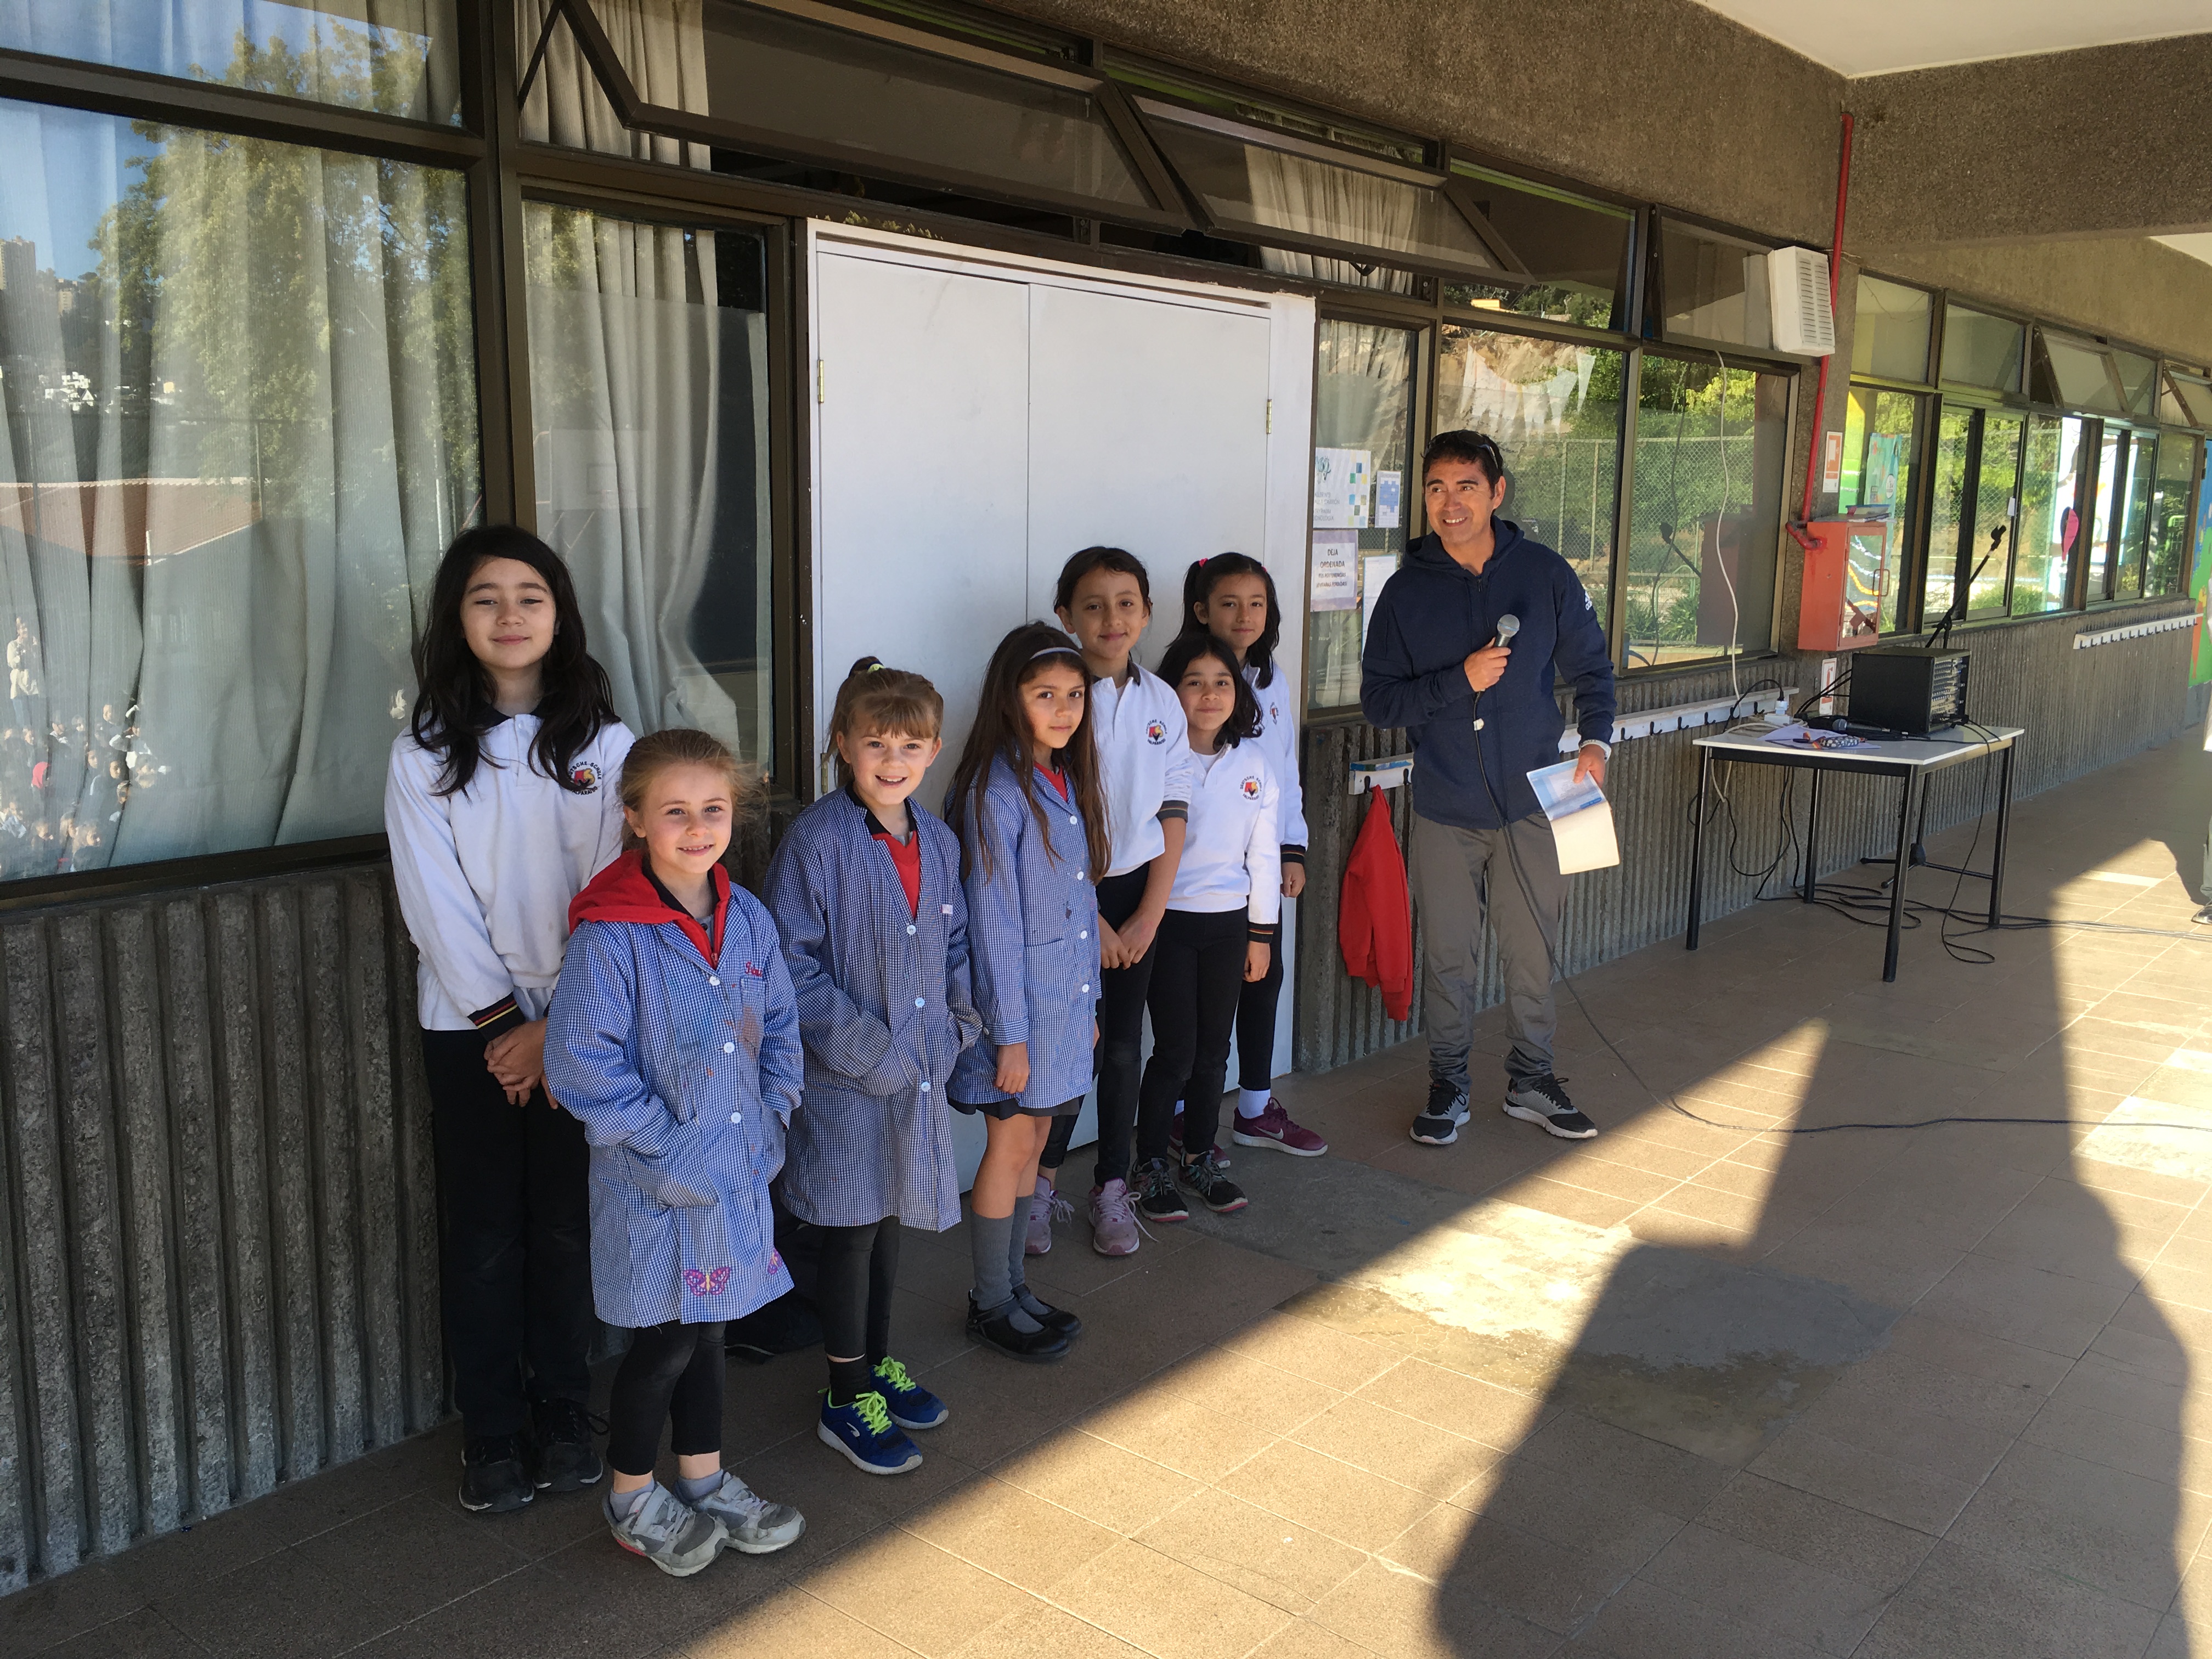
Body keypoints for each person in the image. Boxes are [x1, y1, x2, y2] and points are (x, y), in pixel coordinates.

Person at [384, 525, 633, 1513]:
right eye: (485, 597)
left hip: (580, 1017)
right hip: (468, 1028)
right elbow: (433, 903)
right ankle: (491, 1428)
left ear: (560, 614)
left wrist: (555, 1026)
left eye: (530, 595)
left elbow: (618, 890)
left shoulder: (607, 747)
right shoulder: (423, 755)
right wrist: (506, 1027)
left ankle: (565, 1406)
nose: (510, 615)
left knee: (565, 1222)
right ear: (457, 619)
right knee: (486, 1229)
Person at [544, 727, 808, 1577]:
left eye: (714, 809)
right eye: (675, 812)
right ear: (634, 818)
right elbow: (579, 1062)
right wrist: (667, 1146)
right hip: (652, 1185)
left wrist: (774, 1113)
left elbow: (781, 1025)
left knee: (712, 1330)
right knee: (663, 1344)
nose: (698, 828)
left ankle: (703, 1479)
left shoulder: (748, 919)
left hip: (735, 1172)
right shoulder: (610, 936)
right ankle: (630, 1496)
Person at [1360, 430, 1616, 1147]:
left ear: (1497, 492)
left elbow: (1593, 670)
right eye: (1437, 488)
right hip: (1445, 806)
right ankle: (1449, 1085)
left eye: (1466, 486)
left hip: (1536, 799)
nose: (1451, 503)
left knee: (1532, 952)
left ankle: (1533, 1079)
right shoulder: (1406, 592)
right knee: (1448, 956)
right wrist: (1459, 681)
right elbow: (1380, 703)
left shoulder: (1544, 573)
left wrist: (1596, 742)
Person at [764, 657, 981, 1476]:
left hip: (917, 1069)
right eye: (876, 743)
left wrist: (958, 1027)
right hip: (845, 1082)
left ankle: (877, 1364)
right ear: (842, 744)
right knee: (851, 1233)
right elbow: (788, 964)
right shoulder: (816, 842)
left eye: (911, 745)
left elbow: (954, 943)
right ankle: (844, 1394)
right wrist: (867, 1050)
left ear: (934, 750)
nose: (894, 761)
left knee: (889, 1223)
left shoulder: (938, 840)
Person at [943, 623, 1102, 1362]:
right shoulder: (994, 791)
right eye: (1046, 695)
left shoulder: (1061, 778)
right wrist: (1007, 1035)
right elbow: (993, 924)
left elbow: (1080, 905)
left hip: (1062, 1006)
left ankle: (1013, 1287)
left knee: (1035, 1140)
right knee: (1009, 1145)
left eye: (1075, 695)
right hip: (1018, 1012)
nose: (1064, 710)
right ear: (1011, 699)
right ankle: (990, 1301)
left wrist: (1090, 1006)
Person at [1033, 548, 1192, 1259]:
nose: (1111, 618)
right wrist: (1089, 919)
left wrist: (1149, 914)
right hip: (1071, 900)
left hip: (1139, 895)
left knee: (1125, 1046)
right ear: (1065, 616)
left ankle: (1112, 1187)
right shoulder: (1057, 697)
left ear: (1148, 614)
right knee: (1075, 1049)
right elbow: (1041, 815)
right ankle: (1040, 1188)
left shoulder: (1161, 702)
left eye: (1127, 603)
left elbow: (1174, 809)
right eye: (1093, 605)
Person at [1176, 555, 1327, 1158]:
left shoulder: (1271, 680)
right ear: (1201, 610)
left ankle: (1255, 1108)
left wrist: (1293, 847)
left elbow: (1284, 771)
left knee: (1263, 980)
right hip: (1193, 876)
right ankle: (1183, 1115)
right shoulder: (1180, 681)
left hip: (1260, 867)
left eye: (1257, 604)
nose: (1245, 615)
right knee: (1190, 1004)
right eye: (1230, 603)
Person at [1132, 633, 1279, 1223]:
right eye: (1193, 682)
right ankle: (1149, 1166)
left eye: (1222, 682)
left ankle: (1199, 1157)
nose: (1209, 694)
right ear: (1171, 691)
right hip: (1168, 922)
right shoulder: (1158, 758)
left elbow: (1263, 856)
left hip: (1229, 926)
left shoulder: (1253, 763)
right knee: (1175, 1050)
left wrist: (1261, 936)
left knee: (1215, 1051)